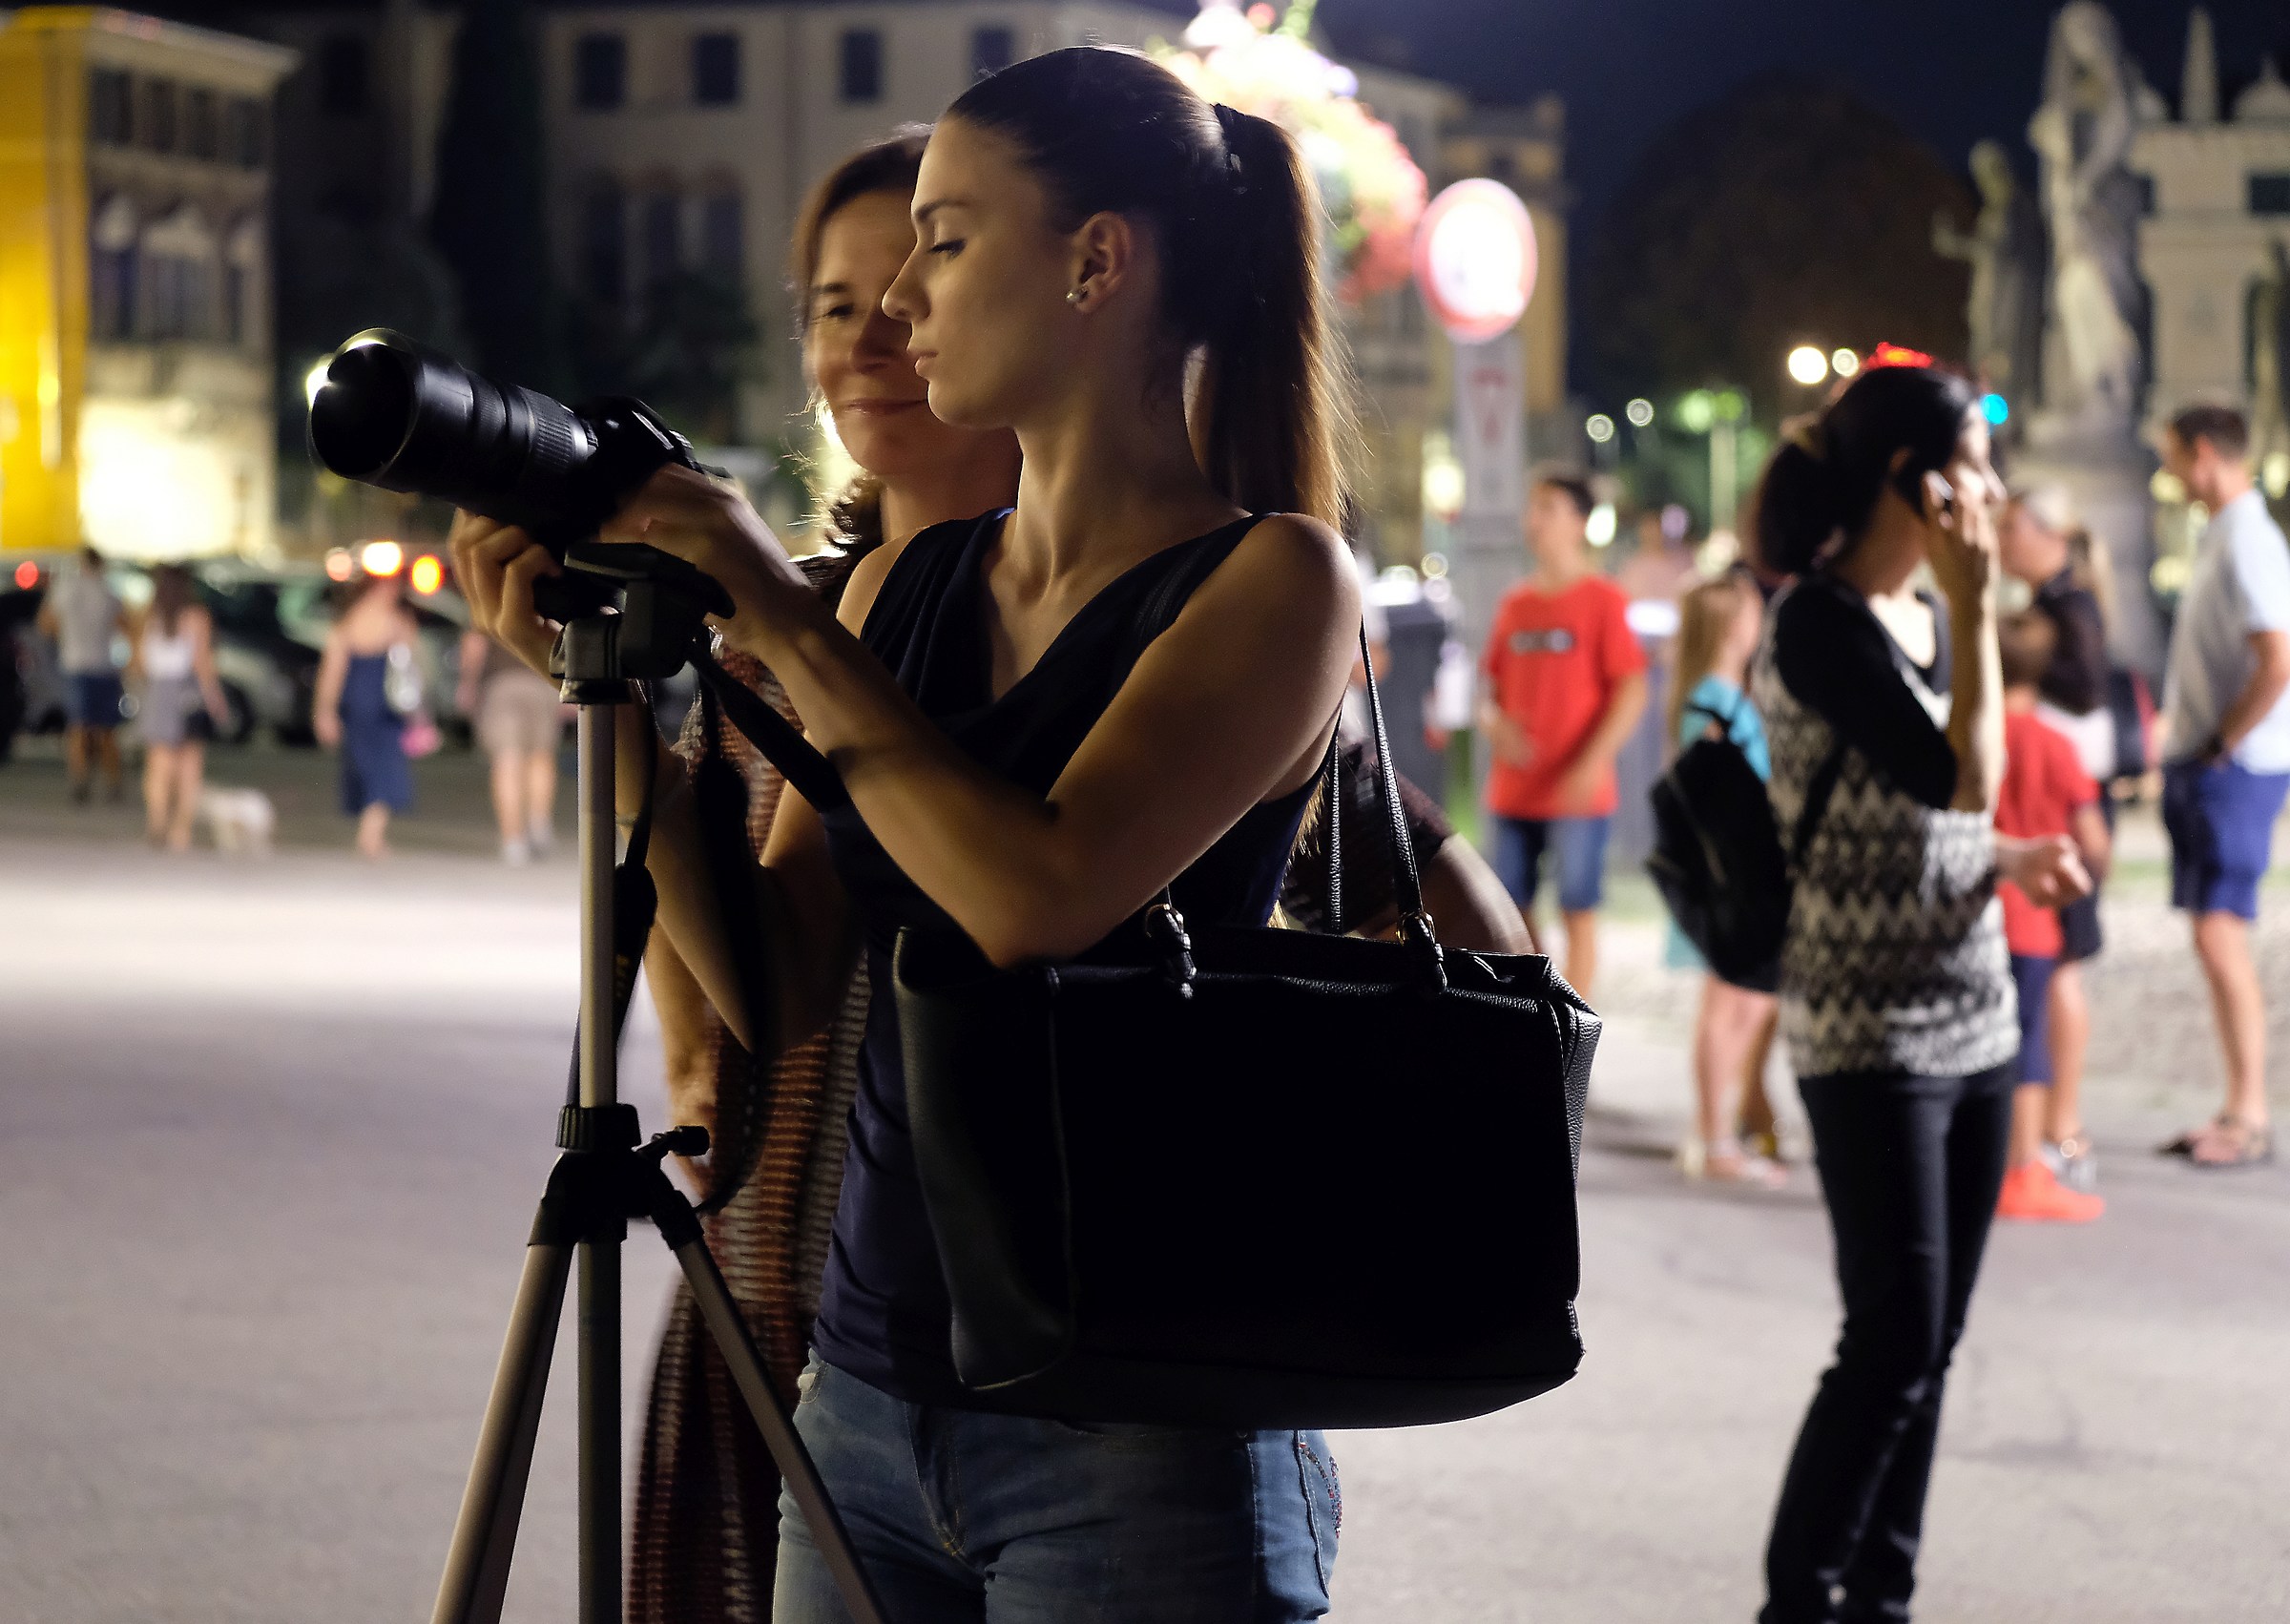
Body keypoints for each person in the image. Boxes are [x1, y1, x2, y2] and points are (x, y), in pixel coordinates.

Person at [460, 48, 1358, 1621]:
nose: (901, 299)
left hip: (1136, 1430)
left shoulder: (1276, 582)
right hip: (868, 1394)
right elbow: (775, 980)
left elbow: (1037, 894)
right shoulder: (906, 591)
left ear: (1096, 262)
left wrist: (777, 606)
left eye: (945, 240)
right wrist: (606, 701)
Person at [622, 129, 1025, 1624]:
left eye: (912, 288)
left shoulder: (1089, 621)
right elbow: (723, 942)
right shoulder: (766, 633)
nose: (872, 339)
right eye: (834, 305)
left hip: (1002, 1317)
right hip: (775, 1257)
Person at [1747, 363, 2090, 1624]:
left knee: (1931, 1341)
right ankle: (1801, 1597)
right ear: (1915, 481)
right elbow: (1962, 776)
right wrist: (1980, 601)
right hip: (1867, 1029)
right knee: (1890, 1337)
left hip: (1976, 1012)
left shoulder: (1927, 617)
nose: (1994, 490)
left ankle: (1880, 1593)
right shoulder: (1818, 624)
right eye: (1975, 465)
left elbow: (1932, 818)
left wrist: (2007, 858)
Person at [2155, 402, 2290, 1169]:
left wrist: (2220, 743)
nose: (2169, 471)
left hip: (2234, 768)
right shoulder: (2225, 535)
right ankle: (2238, 1107)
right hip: (2217, 762)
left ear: (2202, 452)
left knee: (2220, 932)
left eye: (2173, 455)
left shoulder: (2249, 541)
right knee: (2214, 935)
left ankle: (2249, 1114)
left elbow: (2278, 659)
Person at [1477, 470, 1649, 999]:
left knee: (1578, 911)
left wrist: (1591, 762)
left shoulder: (1604, 599)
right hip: (1514, 790)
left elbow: (1631, 691)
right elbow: (1488, 694)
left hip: (1578, 792)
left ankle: (1571, 1029)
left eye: (1548, 508)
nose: (1534, 520)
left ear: (1579, 522)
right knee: (1508, 915)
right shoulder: (1516, 604)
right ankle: (1536, 1014)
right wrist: (1495, 725)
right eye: (1532, 508)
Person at [1999, 483, 2114, 1188]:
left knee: (2061, 971)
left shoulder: (2066, 610)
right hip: (2063, 812)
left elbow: (2087, 691)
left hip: (2063, 815)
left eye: (2012, 527)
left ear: (2049, 534)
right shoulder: (2060, 603)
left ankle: (2060, 1126)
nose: (2002, 539)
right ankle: (2045, 1130)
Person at [1664, 572, 1785, 1186]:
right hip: (1733, 872)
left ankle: (1718, 1132)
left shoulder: (1723, 695)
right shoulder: (1712, 701)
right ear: (1733, 624)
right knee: (1729, 1003)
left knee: (1748, 1001)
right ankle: (1715, 1140)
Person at [314, 573, 419, 859]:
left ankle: (370, 834)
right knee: (385, 767)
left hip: (356, 701)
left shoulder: (347, 622)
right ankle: (371, 835)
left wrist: (324, 711)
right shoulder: (397, 622)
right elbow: (410, 666)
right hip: (385, 704)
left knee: (364, 764)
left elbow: (332, 672)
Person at [133, 565, 229, 851]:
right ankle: (181, 830)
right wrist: (215, 699)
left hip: (158, 692)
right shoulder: (197, 616)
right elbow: (202, 662)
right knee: (190, 765)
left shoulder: (148, 615)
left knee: (158, 764)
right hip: (188, 691)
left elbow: (139, 661)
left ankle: (157, 823)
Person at [457, 626, 566, 864]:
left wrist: (468, 684)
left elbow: (475, 642)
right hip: (542, 681)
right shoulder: (545, 604)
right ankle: (538, 822)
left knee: (507, 760)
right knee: (541, 756)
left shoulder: (492, 601)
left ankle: (513, 840)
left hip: (502, 684)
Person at [35, 546, 128, 802]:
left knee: (78, 727)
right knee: (107, 729)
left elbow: (45, 624)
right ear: (101, 564)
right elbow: (124, 625)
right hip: (104, 666)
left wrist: (67, 637)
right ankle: (113, 782)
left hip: (75, 664)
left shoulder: (65, 588)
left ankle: (80, 780)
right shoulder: (108, 591)